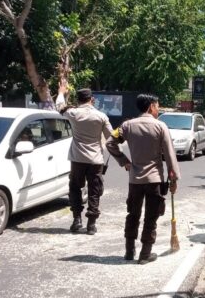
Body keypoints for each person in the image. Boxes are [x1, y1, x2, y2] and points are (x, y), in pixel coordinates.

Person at [106, 93, 182, 264]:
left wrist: (124, 161)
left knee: (132, 214)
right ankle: (145, 253)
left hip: (135, 180)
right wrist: (174, 179)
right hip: (154, 180)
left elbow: (110, 143)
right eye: (157, 106)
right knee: (151, 217)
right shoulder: (160, 126)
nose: (158, 109)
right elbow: (170, 156)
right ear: (150, 107)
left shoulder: (126, 126)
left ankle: (129, 251)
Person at [57, 86, 113, 235]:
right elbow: (111, 138)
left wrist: (61, 92)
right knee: (94, 191)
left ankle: (77, 220)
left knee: (75, 188)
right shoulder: (101, 116)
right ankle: (91, 225)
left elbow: (59, 106)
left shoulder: (73, 113)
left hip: (77, 159)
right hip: (95, 160)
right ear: (92, 100)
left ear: (78, 100)